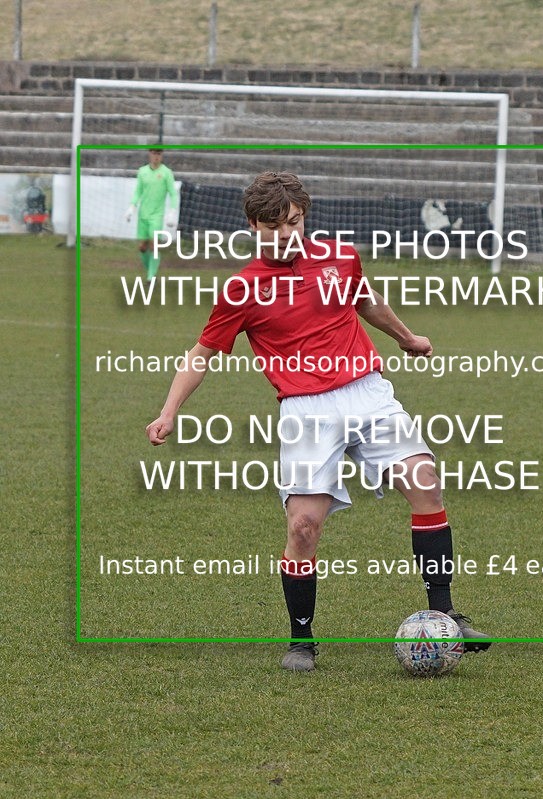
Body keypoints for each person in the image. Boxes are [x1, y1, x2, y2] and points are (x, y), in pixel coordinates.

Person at [145, 172, 491, 671]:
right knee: (304, 526)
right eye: (274, 227)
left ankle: (446, 615)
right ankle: (301, 640)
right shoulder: (242, 289)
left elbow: (366, 300)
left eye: (294, 223)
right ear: (253, 225)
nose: (287, 235)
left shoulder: (340, 257)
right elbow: (200, 355)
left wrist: (406, 338)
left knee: (425, 484)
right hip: (306, 409)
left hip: (366, 392)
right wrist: (168, 411)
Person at [125, 147, 178, 282]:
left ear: (162, 155)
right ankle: (151, 270)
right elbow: (138, 191)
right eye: (154, 153)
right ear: (150, 154)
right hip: (143, 215)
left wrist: (172, 211)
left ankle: (150, 277)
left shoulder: (166, 173)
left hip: (157, 216)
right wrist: (132, 206)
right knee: (142, 247)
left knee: (154, 245)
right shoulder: (142, 172)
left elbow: (173, 193)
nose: (156, 156)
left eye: (159, 154)